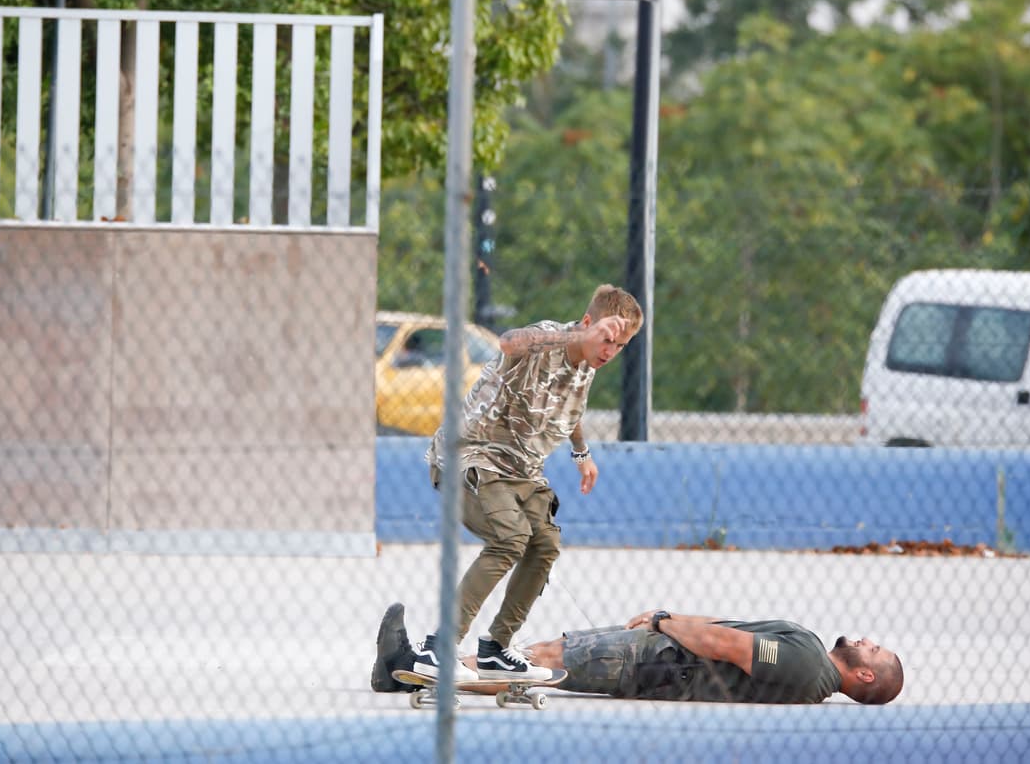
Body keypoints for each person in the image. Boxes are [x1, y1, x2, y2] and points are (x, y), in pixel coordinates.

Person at [372, 284, 643, 690]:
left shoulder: (587, 365)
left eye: (620, 345)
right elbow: (510, 341)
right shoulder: (550, 338)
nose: (609, 351)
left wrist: (581, 453)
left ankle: (496, 648)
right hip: (471, 458)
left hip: (521, 472)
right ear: (587, 323)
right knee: (510, 537)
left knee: (544, 543)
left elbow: (569, 409)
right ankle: (439, 648)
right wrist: (577, 337)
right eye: (606, 339)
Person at [372, 604, 903, 705]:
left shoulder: (807, 666)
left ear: (861, 674)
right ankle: (411, 672)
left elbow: (729, 645)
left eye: (873, 652)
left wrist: (662, 624)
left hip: (655, 661)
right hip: (662, 654)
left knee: (543, 661)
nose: (866, 638)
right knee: (539, 656)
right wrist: (669, 616)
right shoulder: (812, 666)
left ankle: (423, 671)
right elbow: (726, 628)